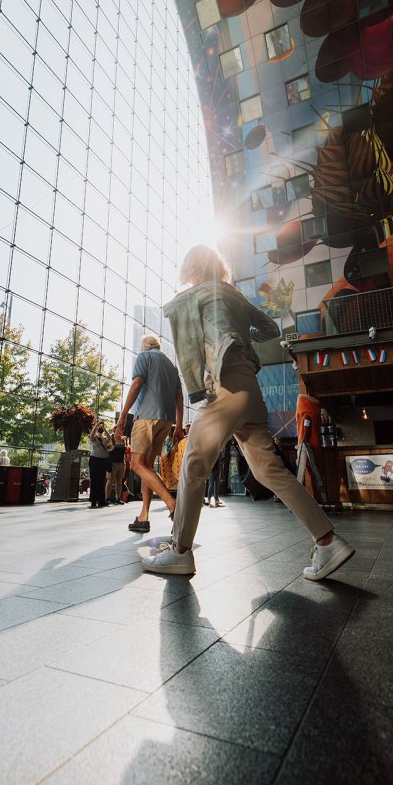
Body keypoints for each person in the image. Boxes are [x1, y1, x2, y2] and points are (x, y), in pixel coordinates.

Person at [142, 245, 355, 579]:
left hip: (225, 387)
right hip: (250, 391)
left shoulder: (200, 295)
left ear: (193, 269)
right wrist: (244, 338)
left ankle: (180, 551)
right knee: (272, 471)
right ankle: (327, 541)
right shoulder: (234, 295)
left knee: (194, 465)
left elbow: (199, 341)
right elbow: (269, 329)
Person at [115, 334, 184, 532]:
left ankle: (173, 505)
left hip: (146, 417)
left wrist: (122, 417)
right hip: (166, 420)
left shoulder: (144, 357)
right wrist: (178, 426)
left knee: (137, 464)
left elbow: (137, 384)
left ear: (144, 347)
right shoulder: (171, 366)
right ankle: (143, 516)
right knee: (147, 468)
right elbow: (179, 396)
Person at [89, 419, 111, 508]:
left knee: (101, 481)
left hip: (103, 461)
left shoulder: (104, 439)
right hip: (94, 460)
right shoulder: (94, 438)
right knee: (94, 480)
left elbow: (109, 438)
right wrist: (96, 425)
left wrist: (104, 428)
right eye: (99, 429)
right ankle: (93, 500)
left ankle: (101, 500)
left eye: (100, 429)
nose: (100, 430)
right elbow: (91, 435)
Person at [105, 427, 126, 504]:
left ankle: (118, 498)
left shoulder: (123, 439)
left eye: (121, 430)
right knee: (110, 480)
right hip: (112, 462)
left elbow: (125, 451)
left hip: (121, 463)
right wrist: (111, 449)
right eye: (119, 429)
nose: (121, 431)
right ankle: (107, 498)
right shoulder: (110, 438)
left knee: (119, 481)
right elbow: (105, 449)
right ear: (114, 430)